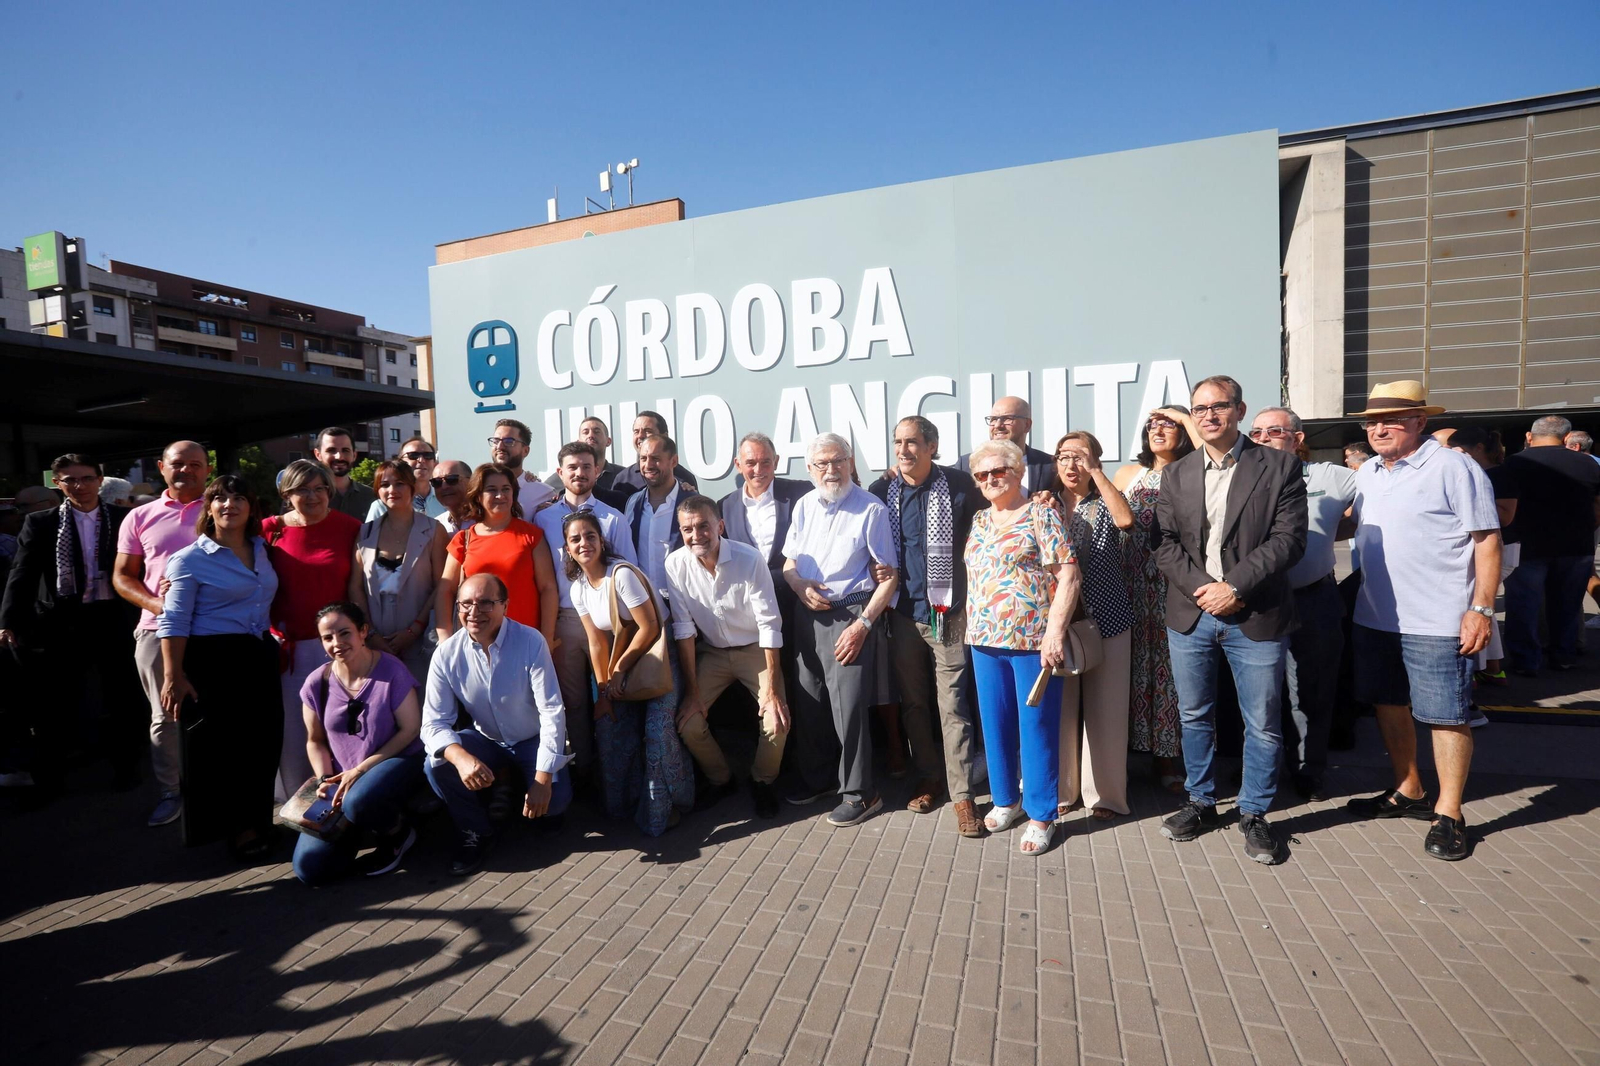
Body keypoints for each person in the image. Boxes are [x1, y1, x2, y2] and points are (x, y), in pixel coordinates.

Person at [1342, 382, 1500, 861]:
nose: (1379, 428)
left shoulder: (1453, 466)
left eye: (1392, 419)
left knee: (1445, 715)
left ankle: (1449, 812)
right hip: (1375, 614)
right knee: (1390, 704)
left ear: (1419, 422)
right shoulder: (1368, 470)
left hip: (1436, 618)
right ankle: (1408, 789)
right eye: (1372, 421)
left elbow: (1487, 540)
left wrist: (1481, 609)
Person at [1154, 375, 1307, 866]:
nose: (1208, 416)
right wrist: (1205, 590)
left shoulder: (1279, 466)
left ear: (1239, 411)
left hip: (1255, 612)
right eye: (1199, 409)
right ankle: (1200, 800)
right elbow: (1163, 543)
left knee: (1261, 721)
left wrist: (1233, 587)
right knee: (1195, 715)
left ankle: (1255, 811)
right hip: (1192, 612)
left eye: (1219, 406)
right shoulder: (1176, 473)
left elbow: (1288, 540)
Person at [866, 416, 984, 836]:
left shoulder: (961, 486)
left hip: (949, 614)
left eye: (912, 442)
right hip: (903, 614)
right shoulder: (881, 492)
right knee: (915, 703)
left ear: (932, 446)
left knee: (953, 705)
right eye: (898, 442)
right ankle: (929, 777)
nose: (903, 450)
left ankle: (963, 796)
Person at [964, 439, 1080, 855]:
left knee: (1038, 729)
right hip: (983, 639)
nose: (992, 479)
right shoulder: (979, 519)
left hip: (1032, 641)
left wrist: (1054, 634)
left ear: (1018, 473)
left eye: (1000, 471)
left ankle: (1042, 814)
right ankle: (1005, 800)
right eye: (983, 475)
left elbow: (1068, 575)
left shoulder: (1040, 512)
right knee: (994, 727)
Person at [1, 454, 141, 792]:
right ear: (58, 484)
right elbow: (22, 575)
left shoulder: (125, 518)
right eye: (70, 480)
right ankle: (49, 780)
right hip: (64, 621)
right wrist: (8, 620)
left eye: (87, 478)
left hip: (113, 617)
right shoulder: (41, 523)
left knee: (122, 699)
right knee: (54, 705)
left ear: (99, 480)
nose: (79, 486)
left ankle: (127, 770)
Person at [157, 474, 280, 857]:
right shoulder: (189, 558)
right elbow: (173, 621)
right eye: (221, 498)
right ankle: (239, 830)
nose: (230, 505)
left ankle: (259, 820)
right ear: (208, 508)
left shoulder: (262, 548)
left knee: (263, 743)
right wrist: (173, 675)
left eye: (238, 497)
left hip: (258, 654)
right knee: (228, 748)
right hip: (214, 659)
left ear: (251, 506)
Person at [782, 433, 899, 827]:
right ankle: (818, 780)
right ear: (810, 469)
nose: (831, 470)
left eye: (838, 461)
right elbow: (789, 564)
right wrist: (799, 586)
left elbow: (889, 578)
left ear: (851, 463)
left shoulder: (872, 510)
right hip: (807, 613)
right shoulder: (802, 506)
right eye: (822, 464)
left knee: (848, 709)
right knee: (811, 700)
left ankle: (862, 793)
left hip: (850, 616)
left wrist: (864, 623)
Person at [422, 573, 572, 876]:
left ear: (505, 605)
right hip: (486, 739)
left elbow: (552, 712)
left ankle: (522, 788)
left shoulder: (531, 641)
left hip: (532, 739)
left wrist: (543, 779)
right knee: (436, 764)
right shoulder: (446, 654)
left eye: (485, 603)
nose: (474, 612)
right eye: (465, 604)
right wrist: (460, 758)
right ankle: (476, 830)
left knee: (554, 804)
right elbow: (433, 724)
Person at [1248, 407, 1357, 800]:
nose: (1261, 438)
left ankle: (1309, 770)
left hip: (1313, 598)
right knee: (1258, 693)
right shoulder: (1242, 478)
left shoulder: (1331, 476)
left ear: (1296, 438)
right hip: (1259, 600)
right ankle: (1260, 770)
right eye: (1256, 431)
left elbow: (1371, 507)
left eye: (1272, 431)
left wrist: (1331, 534)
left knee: (1311, 690)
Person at [568, 510, 695, 834]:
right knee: (610, 732)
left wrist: (621, 669)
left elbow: (650, 626)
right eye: (576, 539)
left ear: (602, 540)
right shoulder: (578, 588)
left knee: (656, 734)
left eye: (590, 536)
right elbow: (597, 644)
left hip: (659, 659)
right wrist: (603, 692)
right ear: (567, 549)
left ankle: (673, 806)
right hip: (625, 662)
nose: (584, 543)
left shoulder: (620, 574)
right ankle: (623, 807)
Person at [667, 494, 790, 817]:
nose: (696, 536)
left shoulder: (749, 559)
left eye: (703, 526)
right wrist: (693, 694)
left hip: (755, 649)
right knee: (689, 722)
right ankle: (721, 779)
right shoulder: (675, 564)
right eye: (687, 529)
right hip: (713, 653)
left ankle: (762, 781)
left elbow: (769, 625)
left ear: (719, 525)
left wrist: (774, 690)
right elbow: (683, 629)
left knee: (776, 721)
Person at [112, 440, 212, 826]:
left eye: (195, 464)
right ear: (161, 467)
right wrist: (158, 605)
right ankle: (172, 791)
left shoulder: (224, 508)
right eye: (177, 464)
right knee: (165, 716)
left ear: (207, 469)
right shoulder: (140, 516)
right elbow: (122, 576)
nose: (186, 470)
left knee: (215, 712)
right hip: (157, 629)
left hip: (215, 629)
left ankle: (211, 787)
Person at [293, 602, 425, 885]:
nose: (337, 643)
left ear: (363, 632)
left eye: (344, 633)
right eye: (328, 638)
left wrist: (361, 770)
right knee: (310, 869)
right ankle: (357, 824)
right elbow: (315, 740)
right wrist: (324, 780)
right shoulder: (317, 682)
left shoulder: (391, 670)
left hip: (396, 761)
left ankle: (398, 834)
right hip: (344, 783)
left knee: (362, 799)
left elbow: (410, 730)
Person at [532, 442, 639, 776]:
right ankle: (584, 769)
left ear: (598, 471)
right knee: (574, 702)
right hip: (565, 620)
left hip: (607, 622)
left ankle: (618, 770)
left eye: (586, 466)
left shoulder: (613, 518)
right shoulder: (543, 519)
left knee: (614, 695)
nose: (579, 473)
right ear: (560, 472)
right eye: (572, 467)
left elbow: (628, 570)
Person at [1045, 431, 1135, 822]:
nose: (1070, 464)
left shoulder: (1106, 499)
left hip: (1109, 618)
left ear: (1095, 461)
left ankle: (1106, 797)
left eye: (1079, 456)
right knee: (1060, 711)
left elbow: (1126, 520)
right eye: (1063, 456)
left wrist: (1097, 474)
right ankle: (1062, 790)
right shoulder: (1045, 503)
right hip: (1059, 622)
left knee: (1107, 711)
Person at [261, 460, 363, 795]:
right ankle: (301, 805)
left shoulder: (350, 528)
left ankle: (349, 806)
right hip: (290, 650)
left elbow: (359, 586)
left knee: (345, 731)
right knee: (297, 735)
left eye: (320, 488)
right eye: (302, 489)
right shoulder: (268, 530)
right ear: (286, 493)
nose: (313, 495)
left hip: (340, 649)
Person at [1110, 406, 1198, 793]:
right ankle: (1119, 762)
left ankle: (1167, 760)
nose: (1157, 429)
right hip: (1128, 587)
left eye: (1168, 424)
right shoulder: (1129, 474)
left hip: (1171, 589)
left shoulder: (1196, 471)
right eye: (1152, 424)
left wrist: (1186, 419)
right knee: (1126, 674)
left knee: (1167, 678)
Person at [1502, 415, 1600, 676]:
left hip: (1526, 545)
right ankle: (1563, 656)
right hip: (1576, 545)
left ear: (1529, 436)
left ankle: (1525, 660)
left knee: (1523, 606)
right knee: (1567, 606)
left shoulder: (1513, 463)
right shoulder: (1588, 464)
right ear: (1567, 438)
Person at [435, 463, 557, 648]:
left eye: (506, 489)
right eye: (492, 490)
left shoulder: (532, 535)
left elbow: (548, 588)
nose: (500, 495)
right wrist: (445, 637)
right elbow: (445, 590)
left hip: (524, 642)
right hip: (476, 644)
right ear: (478, 496)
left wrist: (546, 637)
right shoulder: (463, 539)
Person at [351, 461, 449, 684]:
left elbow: (442, 584)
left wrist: (414, 630)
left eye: (400, 484)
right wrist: (371, 633)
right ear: (377, 490)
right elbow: (355, 587)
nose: (392, 490)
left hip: (420, 635)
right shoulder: (365, 532)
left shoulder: (434, 530)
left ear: (413, 487)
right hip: (374, 638)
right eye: (385, 484)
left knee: (421, 704)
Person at [1446, 427, 1519, 690]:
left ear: (1477, 449)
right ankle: (1490, 668)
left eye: (1459, 451)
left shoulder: (1497, 474)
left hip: (1500, 549)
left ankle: (1479, 669)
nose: (1453, 457)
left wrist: (1466, 508)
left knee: (1475, 609)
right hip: (1486, 548)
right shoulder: (1481, 473)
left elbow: (1506, 516)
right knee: (1478, 610)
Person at [619, 434, 691, 613]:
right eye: (643, 458)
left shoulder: (692, 502)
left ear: (674, 461)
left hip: (686, 608)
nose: (648, 465)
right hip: (644, 611)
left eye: (656, 459)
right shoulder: (632, 503)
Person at [958, 396, 1057, 494]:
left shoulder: (1049, 465)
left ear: (1027, 425)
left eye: (1007, 419)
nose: (997, 425)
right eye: (993, 419)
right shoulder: (966, 465)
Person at [607, 410, 701, 501]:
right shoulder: (623, 479)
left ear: (664, 436)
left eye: (647, 431)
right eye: (636, 431)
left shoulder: (685, 477)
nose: (640, 436)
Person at [365, 437, 450, 521]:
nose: (421, 460)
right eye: (413, 455)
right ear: (400, 462)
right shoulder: (382, 505)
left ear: (435, 463)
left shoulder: (446, 499)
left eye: (428, 456)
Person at [544, 416, 626, 502]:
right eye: (585, 432)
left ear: (608, 441)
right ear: (578, 441)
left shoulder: (623, 475)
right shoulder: (558, 479)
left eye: (596, 432)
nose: (591, 435)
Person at [487, 418, 556, 516]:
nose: (500, 447)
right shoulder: (479, 489)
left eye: (509, 441)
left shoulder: (544, 493)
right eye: (496, 441)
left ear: (525, 451)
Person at [313, 427, 377, 520]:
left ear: (354, 455)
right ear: (318, 454)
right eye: (331, 450)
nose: (339, 457)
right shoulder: (307, 497)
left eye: (345, 450)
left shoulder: (371, 496)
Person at [429, 460, 474, 534]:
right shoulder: (435, 527)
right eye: (436, 482)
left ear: (471, 481)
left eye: (451, 479)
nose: (444, 487)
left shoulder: (489, 519)